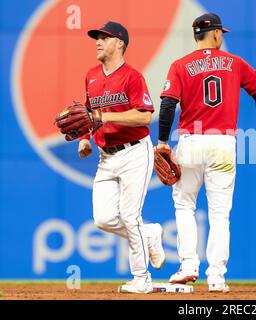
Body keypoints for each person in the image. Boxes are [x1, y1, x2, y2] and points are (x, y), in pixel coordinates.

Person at [156, 13, 256, 293]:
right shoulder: (235, 63)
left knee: (184, 206)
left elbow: (169, 105)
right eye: (222, 33)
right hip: (224, 144)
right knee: (220, 214)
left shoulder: (180, 65)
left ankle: (188, 265)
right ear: (217, 34)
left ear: (197, 35)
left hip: (192, 142)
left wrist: (162, 142)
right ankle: (217, 277)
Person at [79, 21, 165, 293]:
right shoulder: (91, 76)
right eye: (97, 38)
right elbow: (87, 113)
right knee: (102, 219)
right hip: (106, 156)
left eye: (104, 37)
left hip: (135, 152)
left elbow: (145, 116)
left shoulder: (132, 76)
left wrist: (105, 116)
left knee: (130, 216)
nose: (98, 41)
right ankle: (150, 234)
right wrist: (84, 137)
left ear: (120, 43)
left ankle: (141, 279)